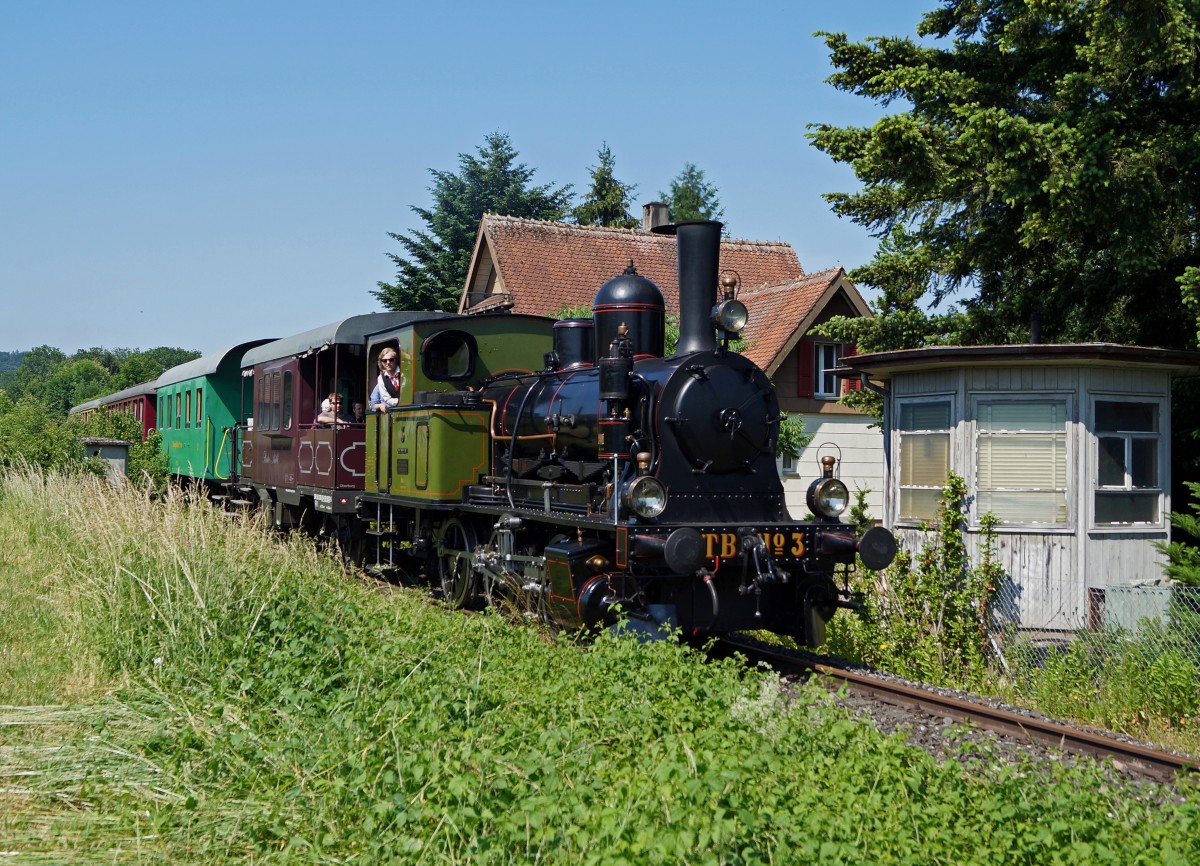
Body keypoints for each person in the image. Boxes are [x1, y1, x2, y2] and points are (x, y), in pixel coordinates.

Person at [370, 348, 403, 413]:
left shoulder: (404, 373)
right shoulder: (381, 379)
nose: (388, 362)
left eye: (391, 360)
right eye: (385, 361)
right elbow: (374, 403)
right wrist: (399, 402)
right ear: (381, 362)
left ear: (396, 360)